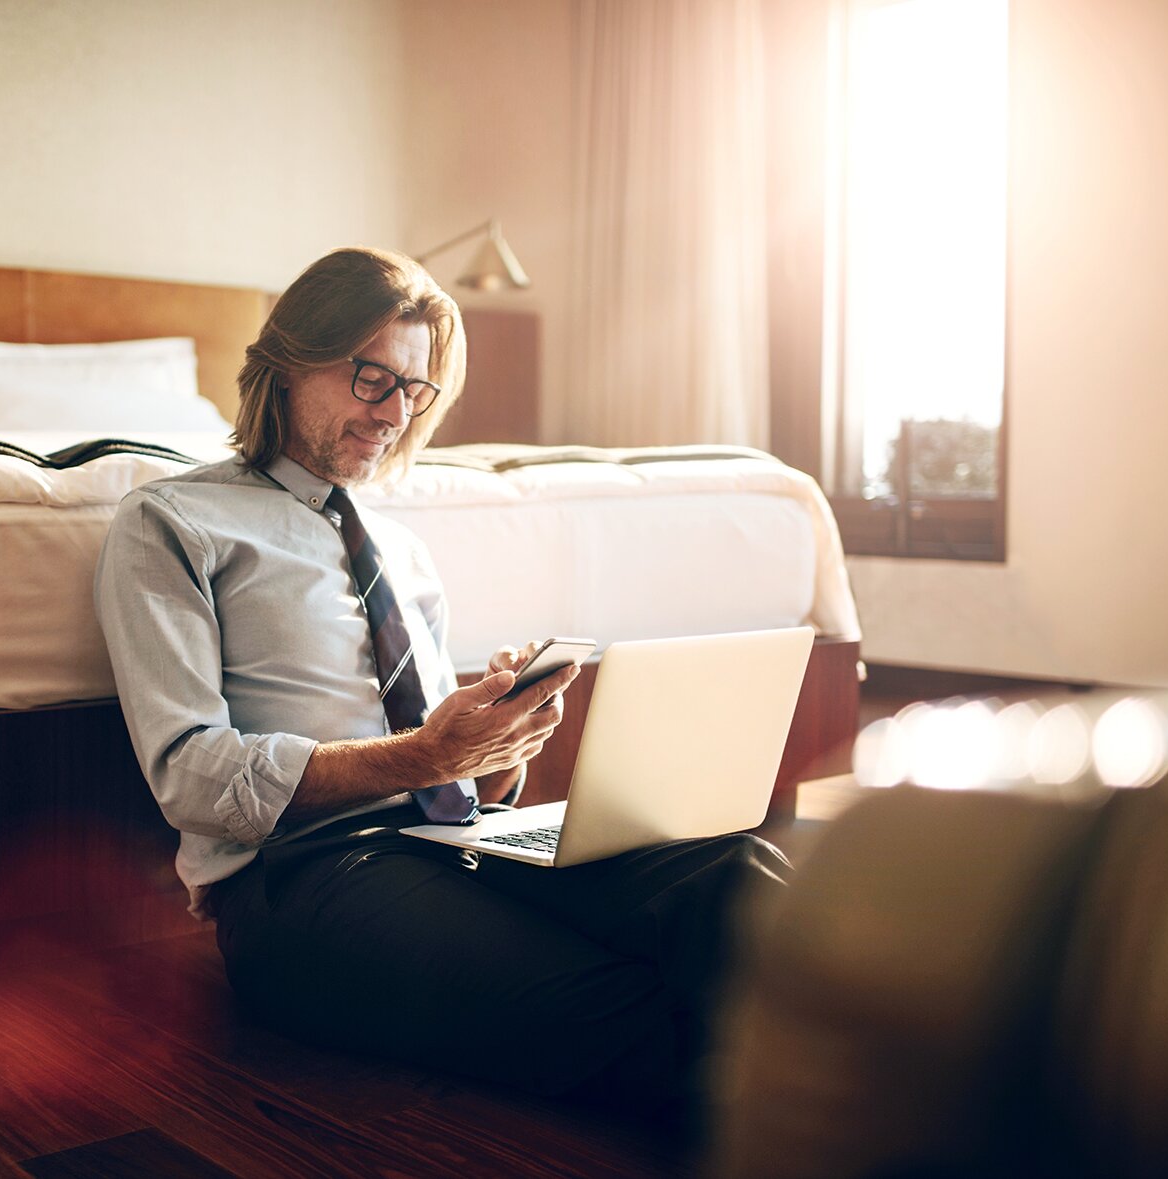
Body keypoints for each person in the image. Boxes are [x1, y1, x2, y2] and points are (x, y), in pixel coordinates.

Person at [94, 246, 791, 1129]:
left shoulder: (404, 554)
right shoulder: (171, 524)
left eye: (412, 390)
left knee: (738, 878)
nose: (392, 414)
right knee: (620, 1004)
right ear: (289, 357)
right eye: (369, 378)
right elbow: (191, 775)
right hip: (302, 878)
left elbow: (458, 781)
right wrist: (429, 752)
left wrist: (500, 747)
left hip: (458, 841)